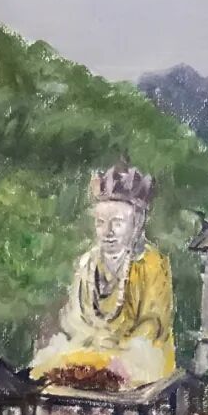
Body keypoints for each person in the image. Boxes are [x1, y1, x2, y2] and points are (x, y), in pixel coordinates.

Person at [31, 162, 176, 389]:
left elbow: (152, 325)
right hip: (92, 352)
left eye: (117, 223)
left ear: (137, 224)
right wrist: (94, 345)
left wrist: (116, 350)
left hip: (136, 357)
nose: (108, 232)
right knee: (51, 364)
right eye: (100, 223)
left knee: (133, 365)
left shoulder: (151, 263)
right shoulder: (87, 263)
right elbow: (75, 320)